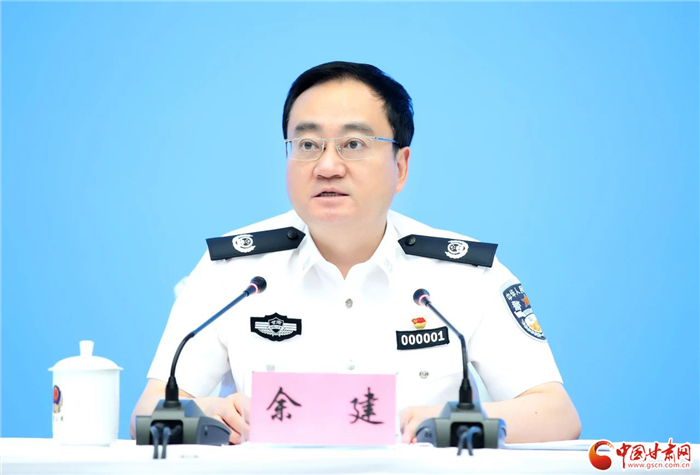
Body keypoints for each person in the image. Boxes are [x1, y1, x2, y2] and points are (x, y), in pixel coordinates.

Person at [130, 61, 581, 444]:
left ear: (400, 166)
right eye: (307, 145)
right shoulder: (232, 271)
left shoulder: (464, 275)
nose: (327, 166)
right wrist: (208, 411)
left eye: (353, 144)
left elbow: (556, 415)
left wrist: (446, 425)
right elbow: (147, 414)